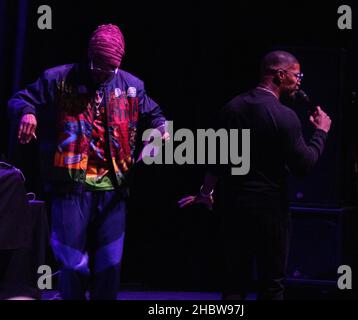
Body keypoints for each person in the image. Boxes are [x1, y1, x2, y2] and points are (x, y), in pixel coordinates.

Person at [8, 24, 168, 300]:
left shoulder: (132, 86)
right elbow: (20, 99)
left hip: (114, 188)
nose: (102, 73)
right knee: (71, 262)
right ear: (89, 55)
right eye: (98, 66)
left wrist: (158, 131)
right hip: (70, 185)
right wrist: (27, 113)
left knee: (110, 264)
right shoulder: (58, 78)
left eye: (110, 69)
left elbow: (157, 116)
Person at [179, 50, 332, 300]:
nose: (299, 81)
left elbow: (216, 163)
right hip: (271, 212)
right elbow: (304, 165)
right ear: (280, 75)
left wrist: (205, 193)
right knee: (272, 284)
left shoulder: (231, 108)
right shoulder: (285, 116)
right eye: (297, 75)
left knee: (233, 283)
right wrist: (321, 132)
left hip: (233, 210)